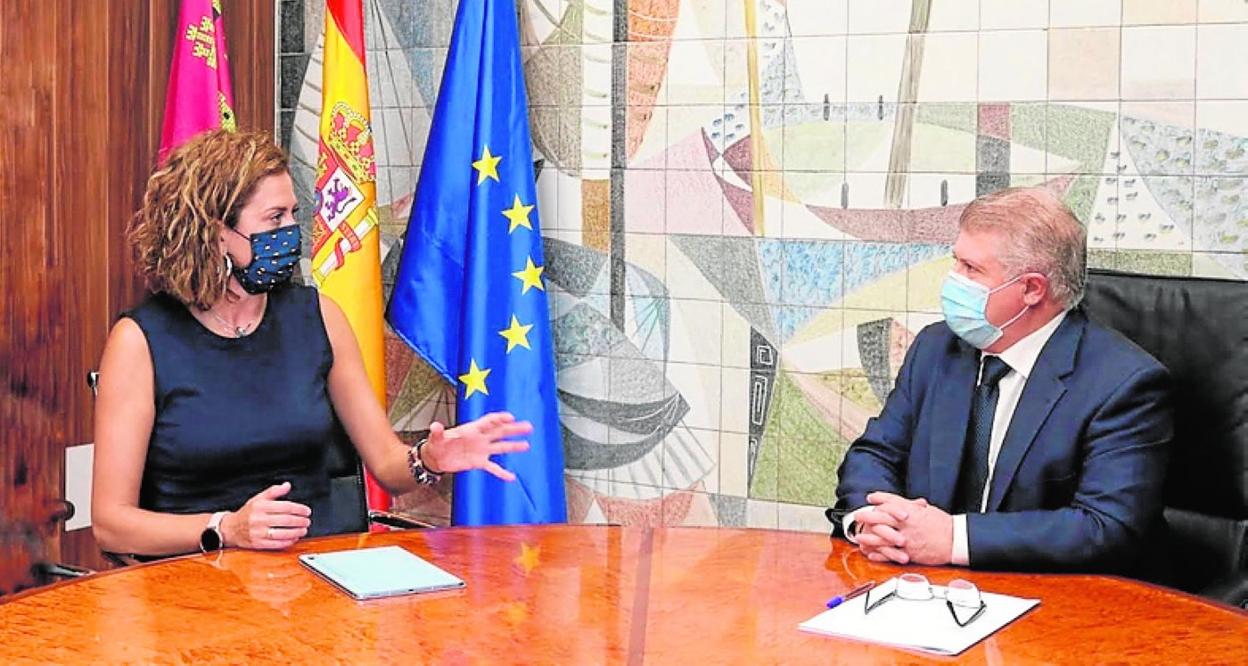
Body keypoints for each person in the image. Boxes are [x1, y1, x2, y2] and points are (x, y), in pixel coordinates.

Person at [92, 129, 531, 558]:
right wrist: (225, 527)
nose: (290, 232)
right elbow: (111, 524)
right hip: (196, 584)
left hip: (320, 571)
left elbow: (388, 465)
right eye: (273, 218)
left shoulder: (318, 316)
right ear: (216, 232)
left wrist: (430, 458)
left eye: (292, 214)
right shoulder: (141, 341)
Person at [830, 186, 1172, 573]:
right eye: (955, 261)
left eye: (971, 269)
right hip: (925, 589)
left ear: (1030, 289)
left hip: (1054, 604)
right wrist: (871, 521)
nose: (952, 280)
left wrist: (953, 539)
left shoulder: (1124, 384)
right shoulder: (936, 347)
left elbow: (1106, 527)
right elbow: (875, 453)